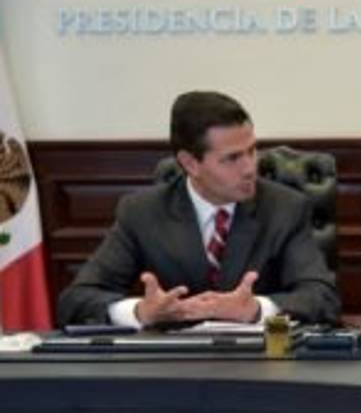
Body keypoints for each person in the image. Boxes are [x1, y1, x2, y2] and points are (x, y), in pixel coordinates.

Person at [57, 91, 340, 327]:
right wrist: (140, 312)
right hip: (173, 365)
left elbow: (322, 297)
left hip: (260, 363)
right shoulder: (142, 212)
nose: (249, 168)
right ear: (190, 163)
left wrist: (255, 309)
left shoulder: (285, 208)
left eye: (252, 151)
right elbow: (76, 300)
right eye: (232, 158)